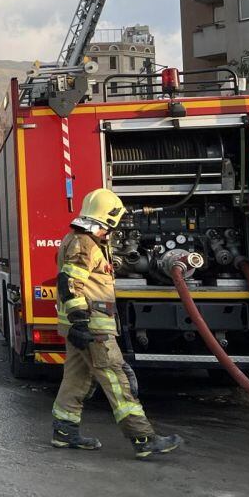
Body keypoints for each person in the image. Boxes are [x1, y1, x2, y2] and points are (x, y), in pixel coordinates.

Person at [51, 189, 183, 458]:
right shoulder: (84, 244)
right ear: (107, 218)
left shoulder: (80, 240)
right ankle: (142, 438)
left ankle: (64, 432)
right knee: (116, 379)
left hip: (83, 327)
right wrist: (81, 322)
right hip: (93, 328)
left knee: (77, 379)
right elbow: (70, 283)